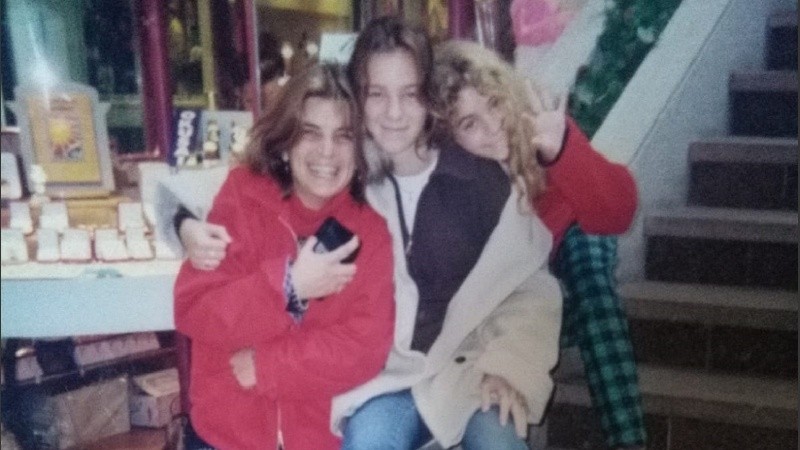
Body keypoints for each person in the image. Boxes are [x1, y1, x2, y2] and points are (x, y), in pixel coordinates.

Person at [161, 16, 562, 450]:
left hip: (460, 368)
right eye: (377, 94)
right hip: (329, 400)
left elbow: (529, 283)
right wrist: (179, 219)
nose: (393, 113)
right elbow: (198, 209)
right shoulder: (336, 186)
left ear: (429, 98)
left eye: (409, 94)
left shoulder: (461, 185)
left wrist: (509, 365)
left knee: (497, 441)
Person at [431, 39, 645, 449]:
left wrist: (561, 149)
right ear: (451, 138)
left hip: (568, 258)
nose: (493, 127)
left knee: (589, 261)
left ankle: (629, 442)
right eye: (469, 124)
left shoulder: (541, 127)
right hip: (525, 295)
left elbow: (619, 213)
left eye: (494, 104)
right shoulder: (458, 183)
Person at [172, 62, 395, 450]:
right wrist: (289, 287)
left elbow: (365, 347)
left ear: (359, 150)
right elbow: (196, 307)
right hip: (226, 436)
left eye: (342, 136)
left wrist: (267, 365)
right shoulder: (242, 195)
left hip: (314, 439)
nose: (327, 152)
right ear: (287, 141)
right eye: (311, 133)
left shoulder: (370, 230)